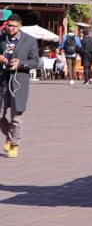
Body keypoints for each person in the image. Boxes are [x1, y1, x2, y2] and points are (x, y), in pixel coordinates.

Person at [0, 14, 39, 158]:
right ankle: (9, 137)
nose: (10, 28)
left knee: (17, 117)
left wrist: (21, 63)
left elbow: (36, 61)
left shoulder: (30, 40)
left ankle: (15, 144)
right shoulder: (1, 38)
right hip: (2, 81)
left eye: (13, 26)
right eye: (8, 25)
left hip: (19, 82)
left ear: (20, 27)